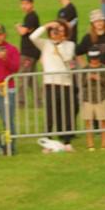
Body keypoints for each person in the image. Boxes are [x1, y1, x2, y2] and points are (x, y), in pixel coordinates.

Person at [30, 20, 76, 150]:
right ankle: (48, 141)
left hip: (65, 83)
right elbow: (32, 37)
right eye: (56, 30)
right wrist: (47, 25)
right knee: (50, 113)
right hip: (50, 83)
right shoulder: (45, 44)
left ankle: (67, 142)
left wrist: (59, 43)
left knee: (66, 113)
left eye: (61, 30)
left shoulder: (70, 45)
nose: (57, 32)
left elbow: (67, 58)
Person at [0, 23, 21, 153]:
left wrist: (5, 58)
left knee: (7, 120)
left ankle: (10, 147)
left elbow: (15, 68)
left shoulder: (11, 49)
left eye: (0, 34)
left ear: (4, 34)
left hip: (6, 91)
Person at [81, 48, 105, 150]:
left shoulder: (104, 68)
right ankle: (90, 144)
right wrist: (87, 78)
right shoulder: (85, 69)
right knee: (88, 121)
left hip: (101, 98)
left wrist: (99, 79)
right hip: (87, 98)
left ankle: (104, 144)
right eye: (92, 58)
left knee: (103, 121)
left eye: (96, 58)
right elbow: (81, 84)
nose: (94, 60)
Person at [16, 0, 41, 108]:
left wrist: (18, 27)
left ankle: (20, 101)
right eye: (22, 4)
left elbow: (23, 32)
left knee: (22, 76)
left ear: (31, 4)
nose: (24, 6)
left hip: (28, 53)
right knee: (31, 79)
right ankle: (38, 101)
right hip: (32, 52)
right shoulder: (31, 16)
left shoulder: (31, 16)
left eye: (26, 3)